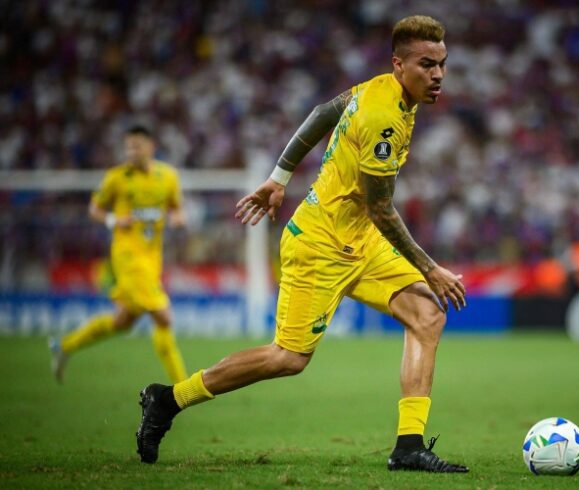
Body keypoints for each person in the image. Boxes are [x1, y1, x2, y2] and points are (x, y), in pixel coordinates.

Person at [135, 15, 468, 473]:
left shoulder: (378, 90)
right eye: (426, 65)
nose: (438, 74)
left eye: (442, 63)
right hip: (320, 245)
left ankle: (409, 446)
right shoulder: (382, 118)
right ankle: (169, 399)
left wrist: (279, 177)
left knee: (427, 314)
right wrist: (431, 267)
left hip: (360, 241)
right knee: (288, 358)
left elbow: (322, 112)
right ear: (398, 64)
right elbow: (381, 209)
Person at [49, 125, 188, 385]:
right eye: (128, 147)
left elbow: (177, 208)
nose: (132, 152)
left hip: (152, 257)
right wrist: (113, 219)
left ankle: (64, 346)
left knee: (123, 321)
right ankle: (183, 387)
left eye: (137, 146)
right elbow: (94, 209)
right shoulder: (116, 178)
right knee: (163, 316)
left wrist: (178, 218)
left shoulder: (168, 176)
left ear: (151, 147)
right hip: (127, 257)